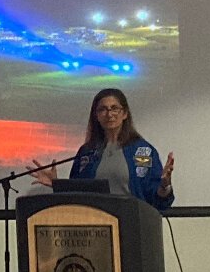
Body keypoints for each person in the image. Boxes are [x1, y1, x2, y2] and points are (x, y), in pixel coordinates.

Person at [27, 88, 174, 210]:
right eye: (102, 109)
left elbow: (158, 201)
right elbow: (78, 196)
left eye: (114, 108)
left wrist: (164, 186)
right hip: (95, 227)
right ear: (96, 116)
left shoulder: (143, 151)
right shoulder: (87, 152)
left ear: (124, 114)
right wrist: (57, 184)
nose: (109, 114)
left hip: (132, 224)